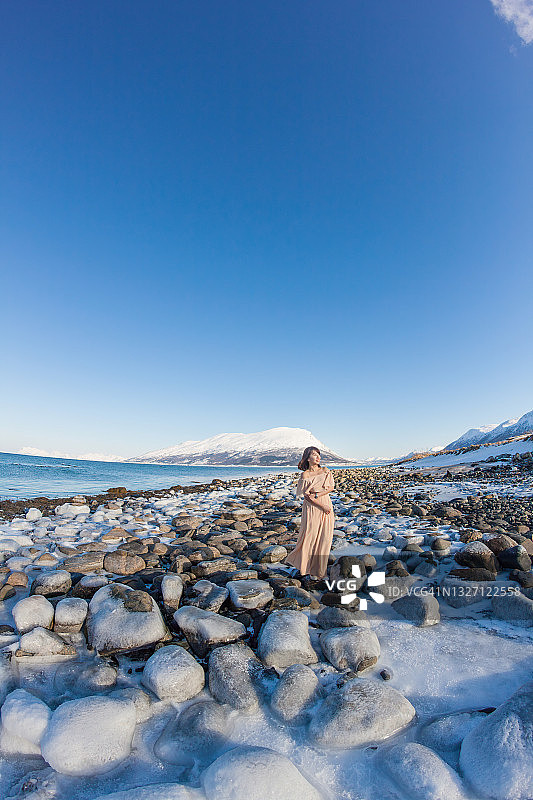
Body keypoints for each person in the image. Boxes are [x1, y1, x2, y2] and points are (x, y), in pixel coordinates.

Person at [285, 446, 335, 580]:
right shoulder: (305, 475)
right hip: (312, 507)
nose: (318, 457)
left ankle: (320, 570)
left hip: (324, 502)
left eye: (319, 454)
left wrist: (318, 495)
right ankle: (305, 567)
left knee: (325, 537)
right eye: (314, 454)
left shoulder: (325, 470)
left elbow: (331, 487)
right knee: (310, 536)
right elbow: (306, 496)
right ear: (307, 458)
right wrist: (321, 505)